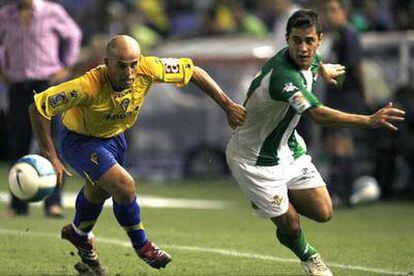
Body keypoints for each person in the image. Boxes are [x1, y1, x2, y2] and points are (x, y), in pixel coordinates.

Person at [29, 35, 246, 275]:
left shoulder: (149, 68)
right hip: (80, 141)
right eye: (122, 66)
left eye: (134, 64)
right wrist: (51, 156)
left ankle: (78, 233)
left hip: (115, 138)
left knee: (99, 191)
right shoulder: (86, 86)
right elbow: (39, 107)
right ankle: (143, 245)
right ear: (107, 62)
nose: (130, 72)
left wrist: (228, 105)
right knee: (124, 186)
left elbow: (193, 71)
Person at [225, 9, 405, 276]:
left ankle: (270, 202)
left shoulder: (309, 57)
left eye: (309, 41)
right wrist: (368, 120)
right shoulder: (283, 77)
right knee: (291, 225)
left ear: (319, 39)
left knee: (323, 211)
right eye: (296, 40)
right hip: (253, 159)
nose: (303, 47)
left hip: (288, 148)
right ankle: (309, 256)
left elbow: (313, 61)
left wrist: (323, 69)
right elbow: (317, 115)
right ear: (287, 40)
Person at [0, 0, 82, 217]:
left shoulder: (52, 12)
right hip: (18, 86)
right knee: (19, 143)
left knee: (52, 143)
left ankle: (53, 203)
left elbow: (73, 35)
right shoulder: (5, 15)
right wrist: (2, 68)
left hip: (47, 86)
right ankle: (18, 204)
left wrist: (66, 66)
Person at [324, 0, 370, 205]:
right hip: (336, 96)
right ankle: (338, 190)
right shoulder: (337, 35)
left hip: (347, 96)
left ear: (345, 12)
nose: (329, 15)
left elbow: (356, 66)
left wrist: (364, 93)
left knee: (343, 143)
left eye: (334, 10)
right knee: (335, 143)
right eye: (328, 11)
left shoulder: (349, 34)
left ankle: (346, 192)